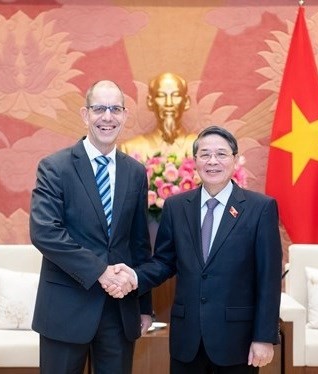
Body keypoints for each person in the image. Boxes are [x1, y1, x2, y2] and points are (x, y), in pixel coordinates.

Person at [111, 126, 282, 373]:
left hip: (237, 340)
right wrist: (134, 276)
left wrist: (264, 337)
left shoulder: (259, 208)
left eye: (221, 154)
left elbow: (269, 278)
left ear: (235, 160)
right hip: (186, 339)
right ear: (195, 162)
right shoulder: (176, 206)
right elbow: (163, 262)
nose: (213, 161)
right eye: (205, 154)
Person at [29, 80, 154, 374]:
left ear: (124, 115)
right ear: (85, 115)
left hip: (119, 311)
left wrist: (144, 305)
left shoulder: (135, 173)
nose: (107, 117)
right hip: (65, 308)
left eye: (114, 109)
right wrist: (100, 270)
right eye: (99, 109)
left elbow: (139, 244)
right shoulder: (55, 167)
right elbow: (45, 232)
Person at [120, 72, 196, 157]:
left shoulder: (202, 148)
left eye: (176, 95)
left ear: (186, 102)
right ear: (150, 102)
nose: (169, 103)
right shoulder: (130, 149)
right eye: (161, 96)